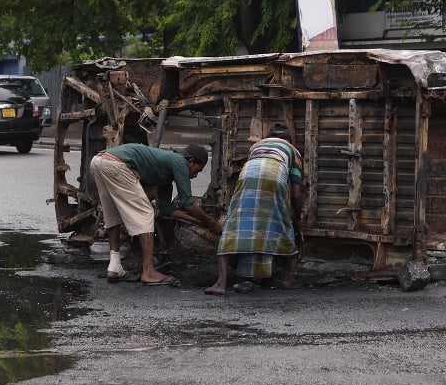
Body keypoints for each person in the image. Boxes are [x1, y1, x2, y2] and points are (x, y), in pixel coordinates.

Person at [90, 143, 215, 286]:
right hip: (116, 164)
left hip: (99, 161)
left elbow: (166, 209)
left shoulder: (165, 176)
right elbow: (187, 202)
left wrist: (196, 221)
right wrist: (211, 223)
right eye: (197, 170)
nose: (195, 175)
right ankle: (149, 272)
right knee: (146, 213)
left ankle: (114, 267)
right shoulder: (179, 161)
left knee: (112, 213)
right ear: (191, 161)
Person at [205, 124, 303, 296]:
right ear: (289, 140)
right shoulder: (293, 151)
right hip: (275, 174)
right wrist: (297, 215)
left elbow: (255, 167)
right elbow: (296, 192)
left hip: (247, 176)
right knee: (281, 224)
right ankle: (287, 279)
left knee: (234, 226)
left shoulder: (256, 146)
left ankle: (220, 284)